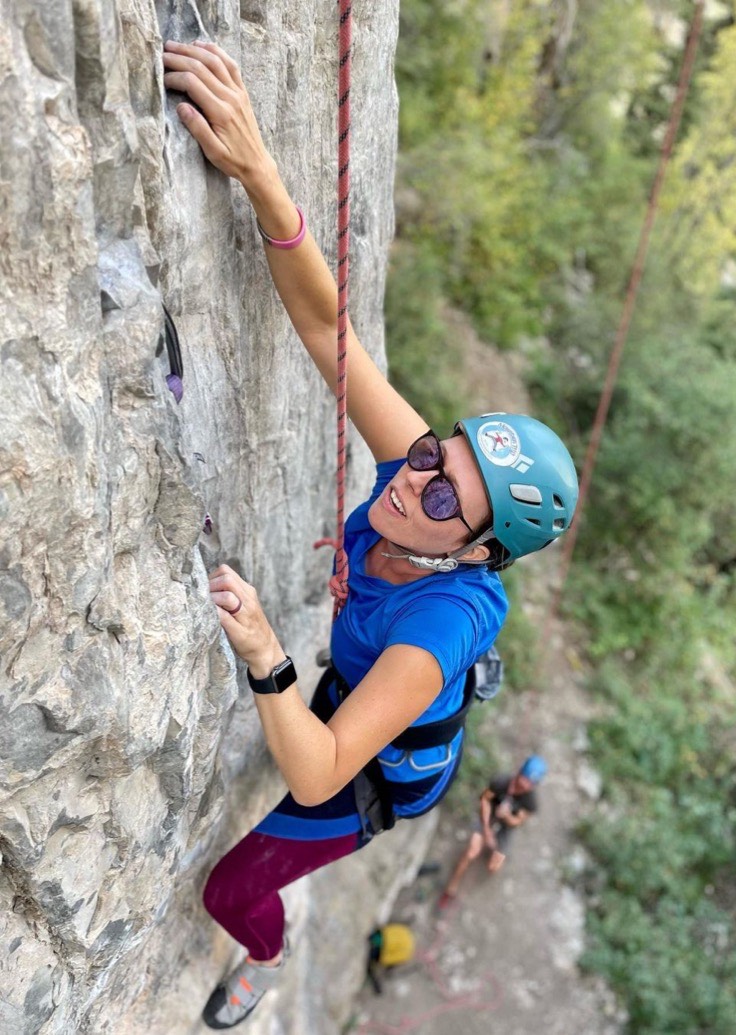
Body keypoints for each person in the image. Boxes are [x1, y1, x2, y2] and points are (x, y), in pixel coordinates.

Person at [161, 39, 578, 1030]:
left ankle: (264, 955)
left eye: (446, 500)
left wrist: (265, 655)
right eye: (437, 456)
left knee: (232, 891)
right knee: (322, 716)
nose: (416, 485)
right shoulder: (421, 479)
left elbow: (317, 772)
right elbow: (327, 335)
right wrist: (265, 179)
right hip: (356, 690)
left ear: (478, 551)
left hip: (377, 780)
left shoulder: (438, 629)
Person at [438, 755, 548, 911]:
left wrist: (507, 816)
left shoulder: (531, 802)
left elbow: (518, 821)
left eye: (529, 783)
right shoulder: (502, 781)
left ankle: (491, 857)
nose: (524, 784)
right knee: (471, 852)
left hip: (506, 827)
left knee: (493, 867)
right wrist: (487, 831)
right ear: (519, 772)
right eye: (524, 779)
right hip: (489, 816)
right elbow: (484, 800)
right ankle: (451, 888)